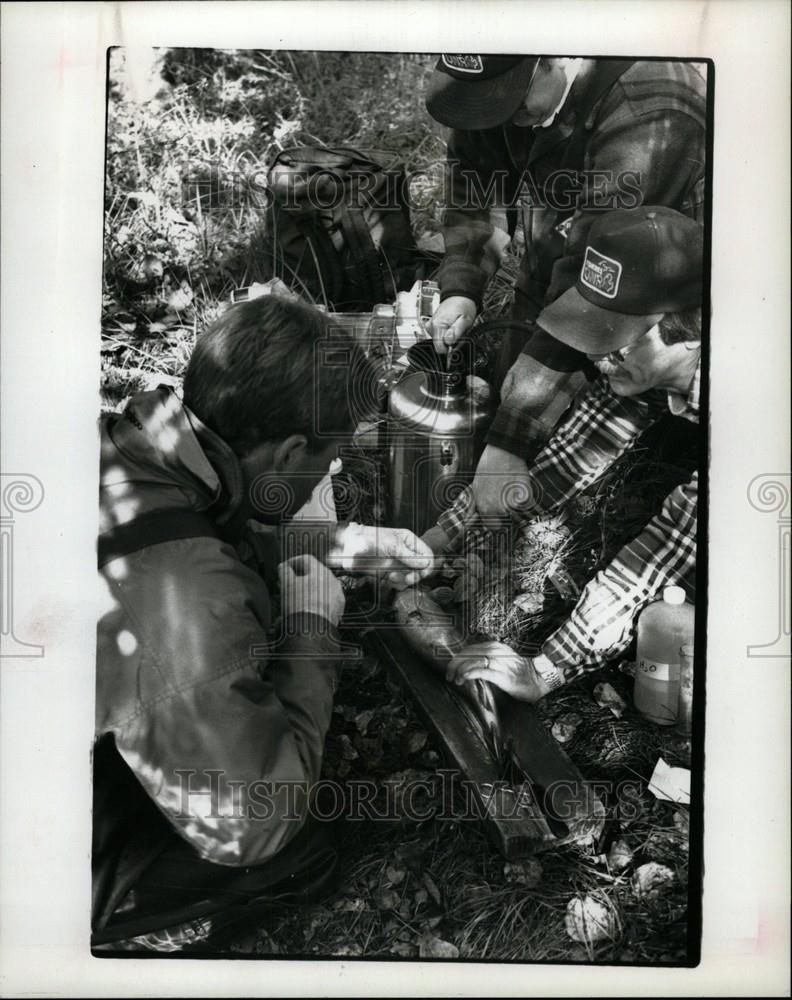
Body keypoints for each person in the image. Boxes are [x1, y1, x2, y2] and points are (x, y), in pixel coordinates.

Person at [93, 294, 433, 950]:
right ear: (288, 452)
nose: (333, 469)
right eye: (330, 454)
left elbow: (184, 528)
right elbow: (252, 823)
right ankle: (107, 923)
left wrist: (337, 545)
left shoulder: (139, 439)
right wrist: (311, 632)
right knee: (294, 853)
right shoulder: (191, 608)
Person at [423, 206, 703, 701]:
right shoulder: (645, 365)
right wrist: (432, 544)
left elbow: (663, 553)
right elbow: (563, 461)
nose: (598, 356)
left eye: (617, 342)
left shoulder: (755, 420)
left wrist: (545, 669)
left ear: (690, 330)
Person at [424, 54, 707, 518]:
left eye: (513, 102)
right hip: (556, 269)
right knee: (503, 416)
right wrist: (462, 285)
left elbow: (603, 286)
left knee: (593, 460)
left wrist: (513, 436)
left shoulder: (651, 111)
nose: (504, 119)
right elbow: (474, 192)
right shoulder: (499, 85)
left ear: (559, 55)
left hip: (651, 307)